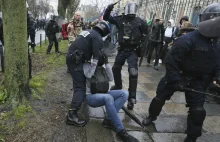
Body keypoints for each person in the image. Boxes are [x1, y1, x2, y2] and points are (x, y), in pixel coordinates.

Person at [142, 3, 220, 142]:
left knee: (198, 111)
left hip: (198, 81)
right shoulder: (187, 40)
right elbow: (171, 61)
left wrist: (217, 76)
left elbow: (217, 61)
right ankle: (151, 116)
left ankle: (192, 137)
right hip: (178, 75)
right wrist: (176, 80)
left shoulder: (216, 43)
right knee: (159, 99)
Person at [103, 2, 148, 110]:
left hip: (133, 50)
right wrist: (109, 9)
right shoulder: (120, 19)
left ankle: (132, 98)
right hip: (122, 49)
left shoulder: (140, 21)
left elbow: (145, 34)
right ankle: (118, 86)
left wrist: (141, 46)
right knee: (115, 69)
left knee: (133, 72)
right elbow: (106, 17)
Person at [66, 21, 111, 127]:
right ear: (104, 31)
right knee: (80, 88)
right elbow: (96, 59)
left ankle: (76, 103)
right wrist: (90, 73)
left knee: (77, 84)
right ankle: (71, 115)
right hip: (76, 61)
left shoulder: (88, 31)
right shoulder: (98, 38)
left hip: (72, 58)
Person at [84, 54, 139, 142]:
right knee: (108, 97)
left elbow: (111, 78)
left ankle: (108, 120)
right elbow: (89, 74)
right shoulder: (86, 65)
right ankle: (121, 132)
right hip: (91, 96)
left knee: (124, 93)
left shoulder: (101, 68)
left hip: (104, 93)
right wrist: (94, 61)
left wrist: (106, 63)